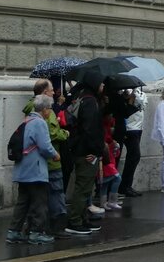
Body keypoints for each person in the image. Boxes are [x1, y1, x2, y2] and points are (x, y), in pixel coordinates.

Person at [6, 94, 60, 245]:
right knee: (39, 202)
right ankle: (36, 233)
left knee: (22, 202)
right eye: (50, 108)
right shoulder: (40, 123)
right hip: (35, 170)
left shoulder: (26, 120)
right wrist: (55, 154)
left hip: (23, 169)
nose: (50, 111)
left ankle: (13, 232)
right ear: (44, 109)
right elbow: (45, 146)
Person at [25, 79, 69, 237]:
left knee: (35, 197)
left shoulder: (31, 109)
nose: (54, 92)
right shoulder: (45, 111)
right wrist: (65, 133)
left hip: (35, 162)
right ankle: (56, 227)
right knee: (55, 192)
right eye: (51, 90)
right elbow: (51, 134)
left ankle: (30, 228)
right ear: (44, 93)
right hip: (50, 160)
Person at [64, 70, 106, 236]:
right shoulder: (89, 102)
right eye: (101, 82)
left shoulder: (84, 98)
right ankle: (75, 221)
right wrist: (95, 151)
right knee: (83, 188)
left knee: (86, 188)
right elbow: (90, 129)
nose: (103, 85)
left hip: (82, 150)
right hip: (86, 152)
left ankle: (82, 219)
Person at [117, 88, 145, 198]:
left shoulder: (138, 91)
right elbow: (126, 111)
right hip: (130, 128)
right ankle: (124, 186)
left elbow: (142, 105)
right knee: (134, 156)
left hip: (138, 127)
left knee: (134, 157)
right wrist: (129, 98)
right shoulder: (123, 92)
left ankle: (127, 185)